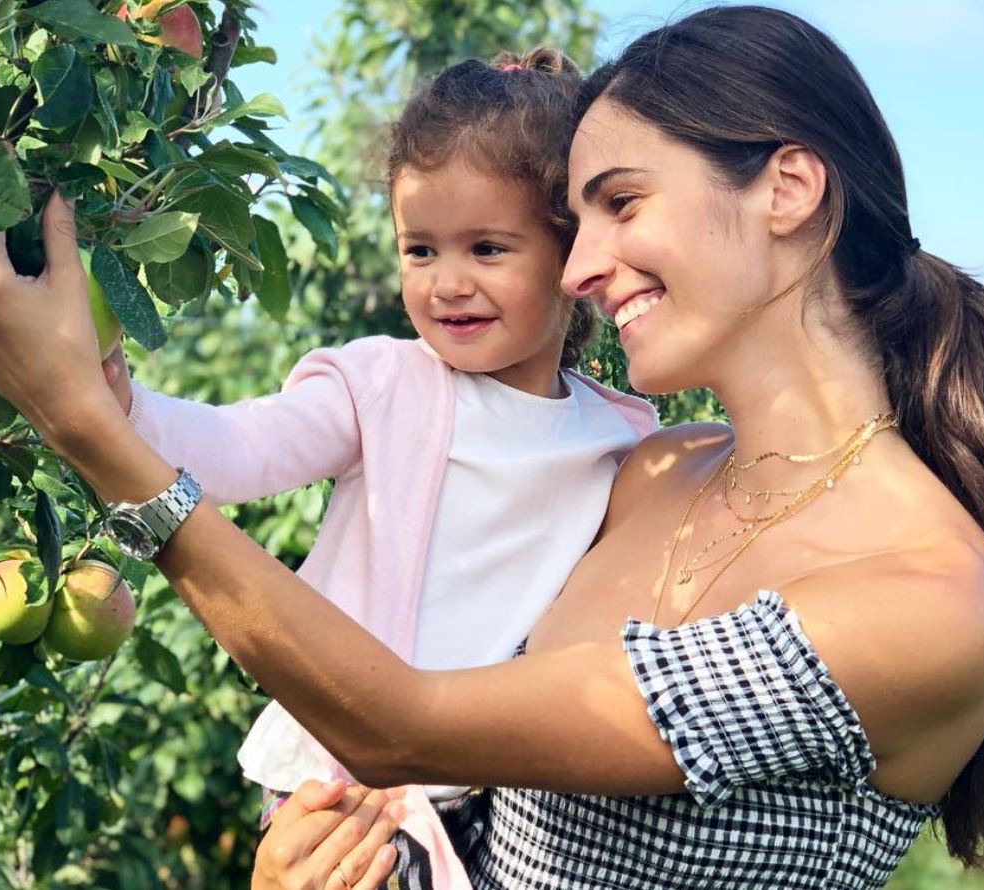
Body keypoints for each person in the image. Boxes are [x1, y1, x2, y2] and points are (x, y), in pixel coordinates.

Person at [0, 6, 984, 888]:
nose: (578, 267)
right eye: (573, 224)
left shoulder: (927, 600)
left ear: (786, 185)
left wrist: (84, 427)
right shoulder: (640, 474)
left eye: (619, 204)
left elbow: (401, 723)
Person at [99, 48, 653, 883]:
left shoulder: (619, 437)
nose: (448, 283)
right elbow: (245, 449)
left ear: (571, 256)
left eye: (488, 249)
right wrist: (121, 410)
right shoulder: (382, 384)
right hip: (344, 787)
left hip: (501, 800)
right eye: (419, 250)